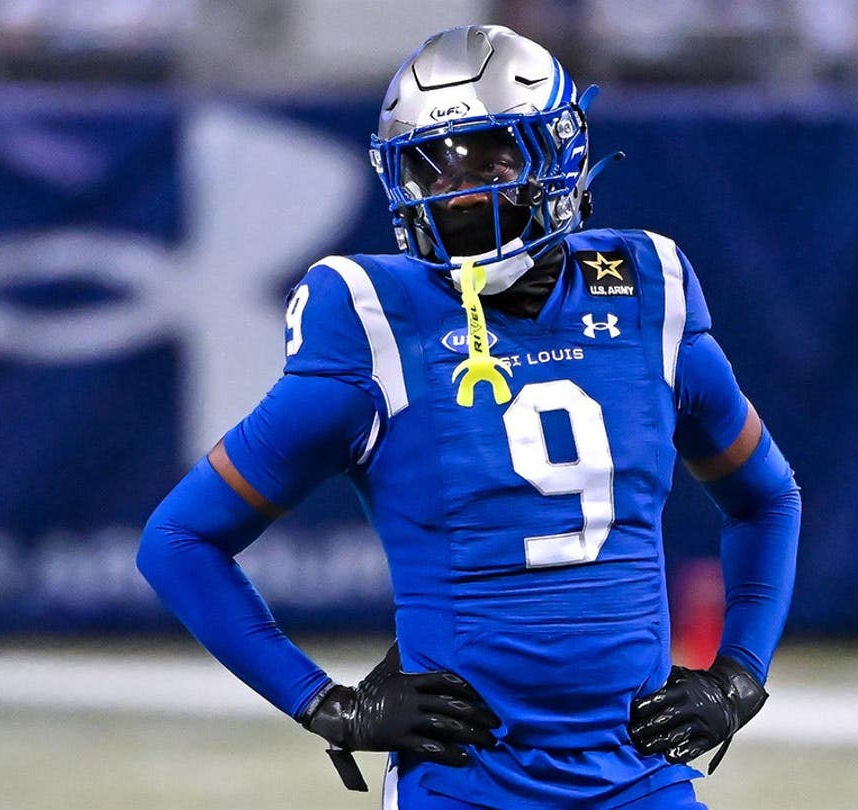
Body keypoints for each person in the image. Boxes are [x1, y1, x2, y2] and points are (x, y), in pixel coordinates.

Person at [138, 24, 801, 809]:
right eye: (432, 165)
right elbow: (179, 540)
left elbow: (766, 497)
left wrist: (739, 676)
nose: (459, 192)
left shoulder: (643, 290)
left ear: (558, 156)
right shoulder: (374, 321)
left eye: (490, 160)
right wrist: (326, 704)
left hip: (640, 776)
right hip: (468, 785)